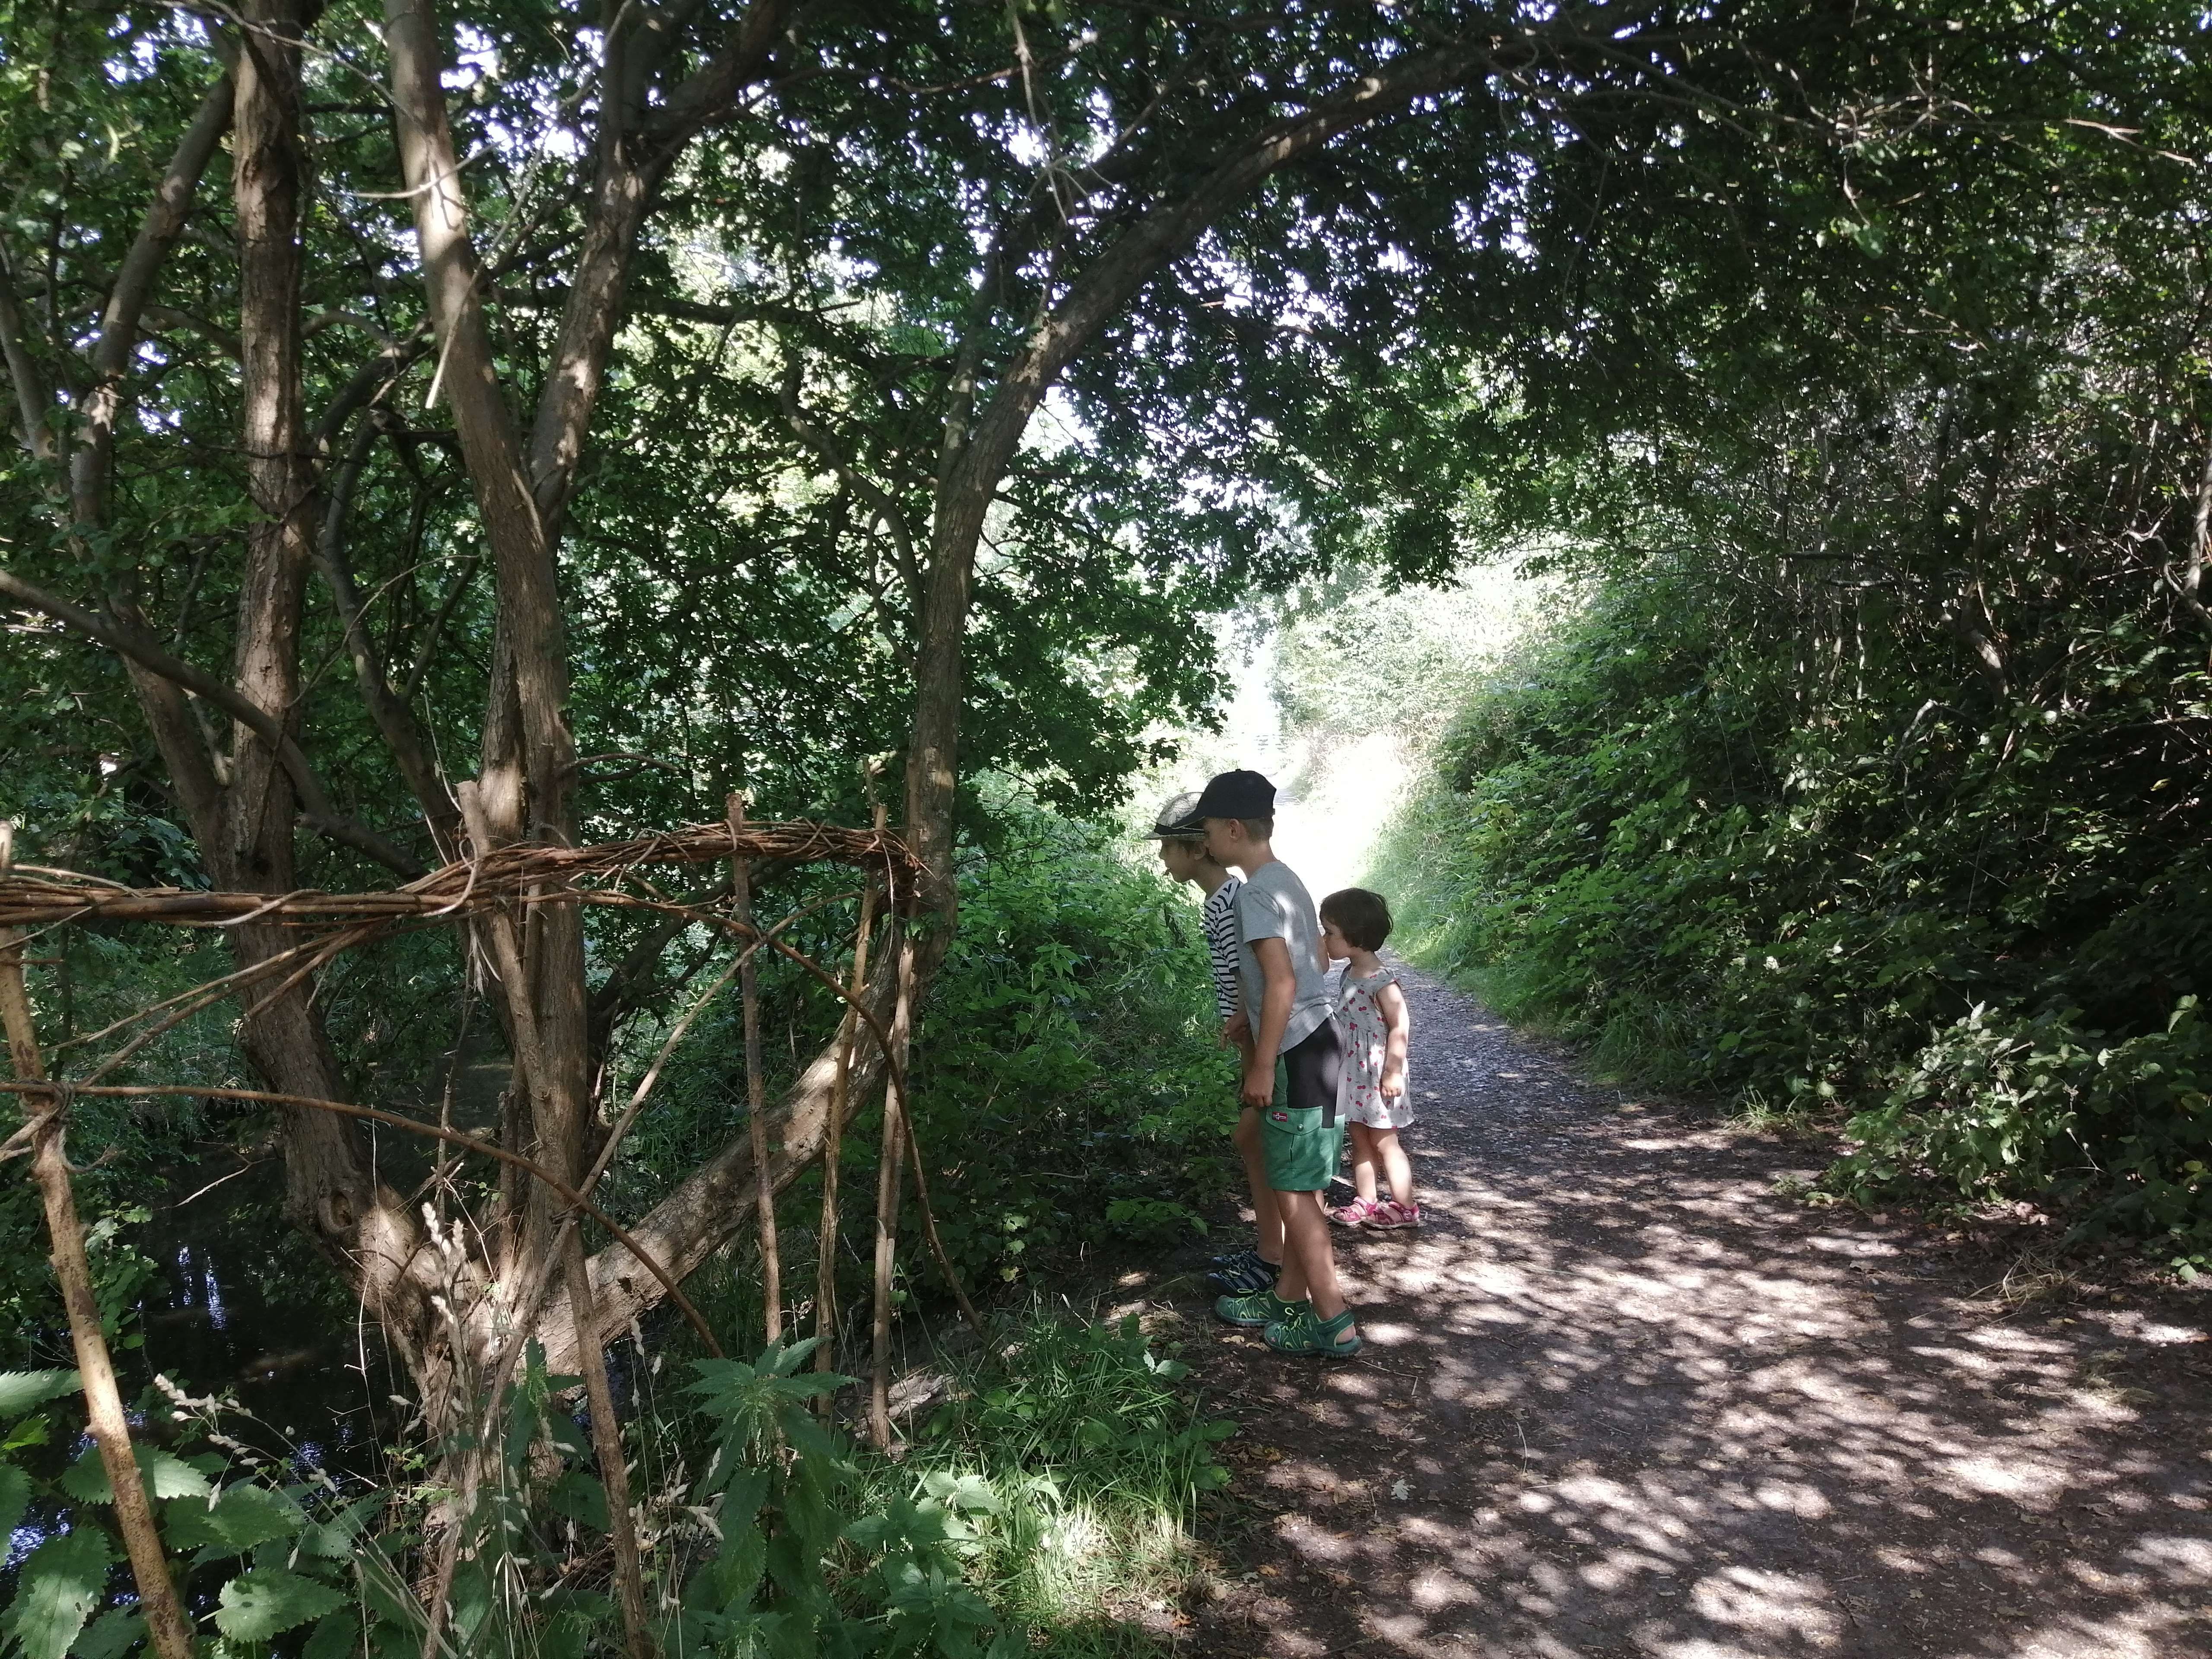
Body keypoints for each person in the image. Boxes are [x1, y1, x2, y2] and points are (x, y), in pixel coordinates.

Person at [1196, 769, 1362, 1359]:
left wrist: (1261, 1064)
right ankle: (1288, 1302)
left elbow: (1284, 980)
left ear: (1234, 829)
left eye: (1210, 828)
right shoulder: (1283, 879)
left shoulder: (1257, 892)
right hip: (1320, 1045)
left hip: (1295, 1054)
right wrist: (1249, 1017)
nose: (1206, 840)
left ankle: (1334, 1323)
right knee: (1301, 1185)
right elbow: (1298, 968)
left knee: (1297, 1197)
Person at [1319, 888, 1418, 1229]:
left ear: (1355, 935)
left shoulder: (1382, 981)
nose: (1324, 938)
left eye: (1329, 932)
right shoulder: (1349, 972)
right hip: (1356, 1073)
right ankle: (1366, 1199)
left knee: (1385, 1140)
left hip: (1378, 1074)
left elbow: (1400, 1024)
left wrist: (1393, 1070)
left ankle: (1406, 1206)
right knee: (1359, 1136)